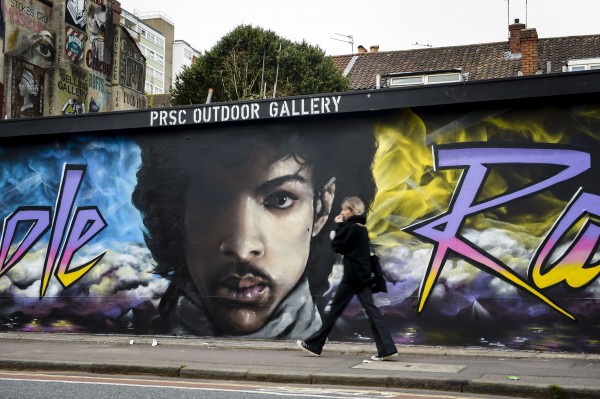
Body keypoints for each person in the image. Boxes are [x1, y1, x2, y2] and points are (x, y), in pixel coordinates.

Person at [132, 118, 377, 339]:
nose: (242, 247)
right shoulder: (138, 328)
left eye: (281, 199)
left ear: (323, 208)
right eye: (211, 199)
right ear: (178, 212)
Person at [297, 196, 398, 360]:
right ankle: (386, 348)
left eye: (345, 209)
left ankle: (315, 344)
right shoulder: (359, 228)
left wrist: (338, 225)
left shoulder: (353, 228)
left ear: (351, 211)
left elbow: (338, 246)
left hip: (353, 278)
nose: (342, 212)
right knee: (365, 312)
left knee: (336, 311)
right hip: (360, 277)